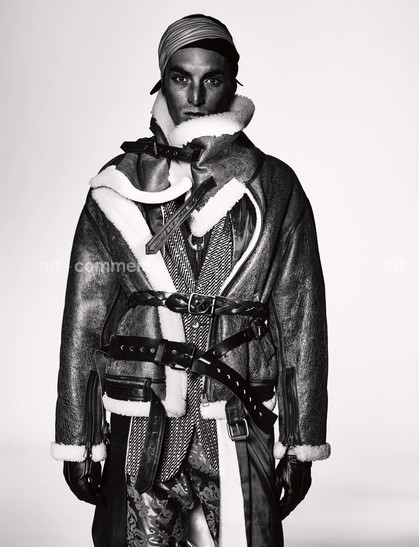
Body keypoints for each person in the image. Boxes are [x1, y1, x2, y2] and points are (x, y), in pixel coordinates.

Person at [52, 13, 330, 547]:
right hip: (142, 423)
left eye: (212, 78)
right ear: (162, 80)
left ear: (233, 84)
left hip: (237, 419)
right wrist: (78, 436)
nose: (196, 96)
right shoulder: (115, 189)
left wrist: (301, 444)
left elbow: (301, 321)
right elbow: (84, 319)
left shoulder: (275, 188)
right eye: (181, 77)